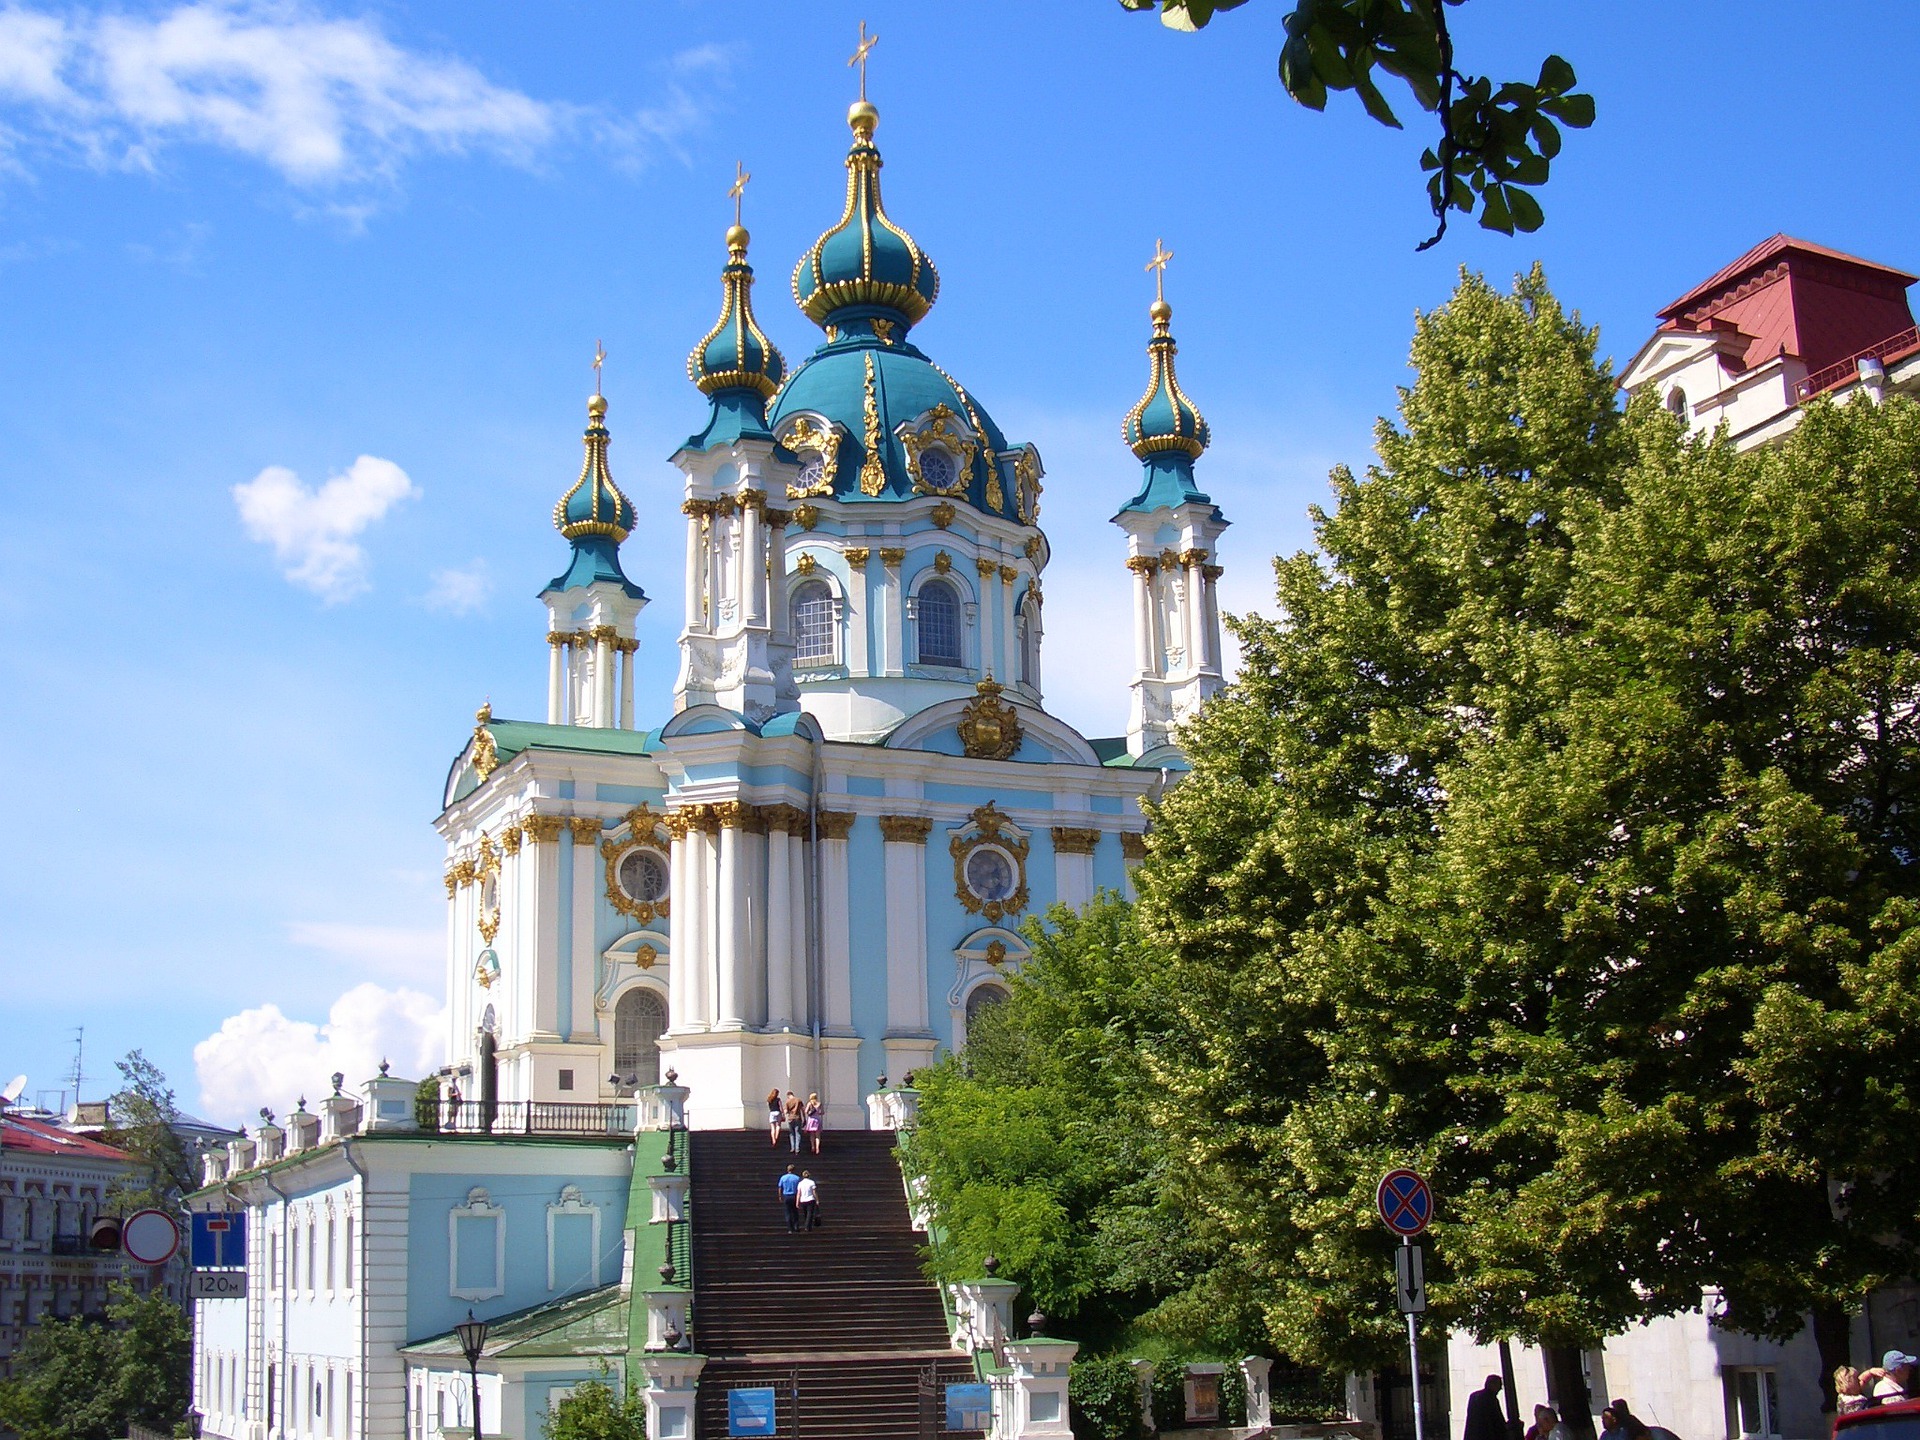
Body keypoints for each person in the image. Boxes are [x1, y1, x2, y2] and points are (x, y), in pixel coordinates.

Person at [1463, 1375, 1505, 1440]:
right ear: (1492, 1384)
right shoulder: (1491, 1399)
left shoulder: (1474, 1396)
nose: (1500, 1388)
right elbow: (1497, 1420)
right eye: (1499, 1385)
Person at [777, 1164, 801, 1233]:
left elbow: (780, 1187)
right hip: (794, 1196)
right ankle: (796, 1226)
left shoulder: (783, 1177)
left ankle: (790, 1228)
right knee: (795, 1212)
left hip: (786, 1196)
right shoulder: (797, 1178)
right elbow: (799, 1189)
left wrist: (780, 1196)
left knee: (788, 1212)